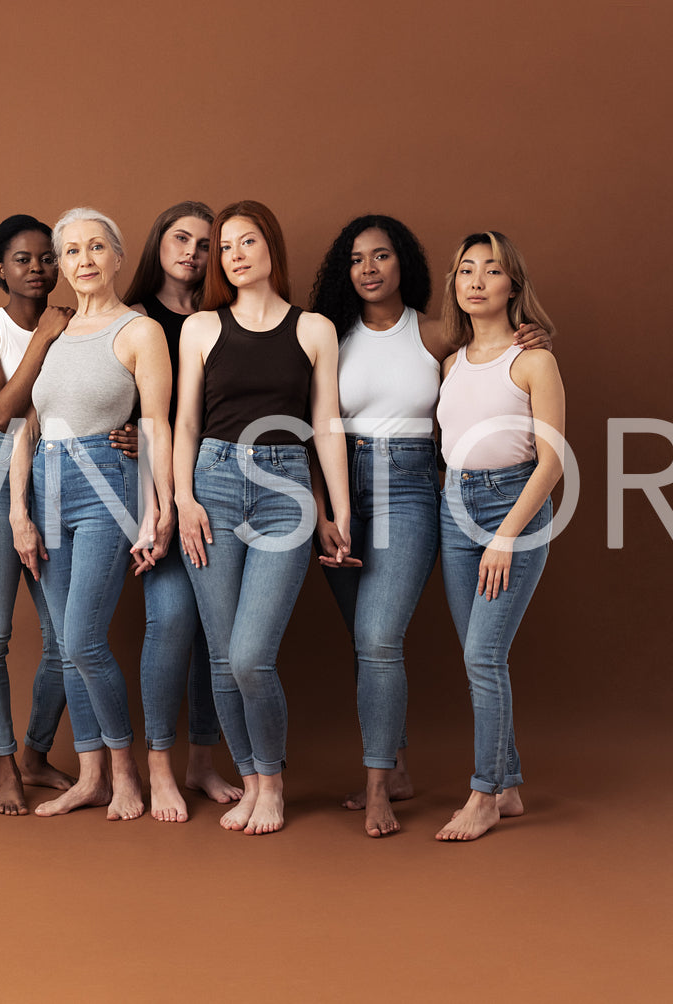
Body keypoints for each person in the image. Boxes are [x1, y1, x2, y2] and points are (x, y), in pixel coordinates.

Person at [309, 215, 552, 837]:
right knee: (367, 638)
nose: (369, 268)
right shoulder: (331, 335)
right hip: (350, 490)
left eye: (382, 256)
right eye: (357, 258)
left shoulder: (437, 334)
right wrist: (326, 506)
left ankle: (470, 791)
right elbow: (314, 423)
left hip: (416, 487)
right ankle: (413, 771)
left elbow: (497, 358)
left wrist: (532, 332)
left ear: (405, 265)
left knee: (387, 637)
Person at [175, 200, 351, 835]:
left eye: (247, 242)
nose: (236, 255)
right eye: (225, 247)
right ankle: (252, 781)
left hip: (285, 491)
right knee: (224, 656)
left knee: (252, 654)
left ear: (271, 246)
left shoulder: (315, 329)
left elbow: (327, 425)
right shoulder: (201, 329)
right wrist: (182, 499)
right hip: (212, 485)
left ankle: (271, 783)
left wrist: (338, 509)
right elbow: (185, 423)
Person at [9, 207, 175, 821]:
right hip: (45, 489)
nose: (84, 261)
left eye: (96, 248)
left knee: (82, 638)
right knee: (66, 643)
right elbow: (26, 425)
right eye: (71, 251)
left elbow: (156, 424)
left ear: (117, 256)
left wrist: (158, 510)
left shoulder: (140, 331)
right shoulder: (49, 333)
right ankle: (90, 777)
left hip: (106, 488)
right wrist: (17, 513)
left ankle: (124, 774)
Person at [433, 231, 564, 841]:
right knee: (476, 657)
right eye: (466, 270)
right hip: (454, 505)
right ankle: (508, 785)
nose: (477, 280)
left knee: (483, 655)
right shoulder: (451, 363)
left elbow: (552, 460)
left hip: (514, 507)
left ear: (513, 283)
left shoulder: (533, 359)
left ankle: (482, 794)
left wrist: (507, 536)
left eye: (491, 270)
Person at [123, 201, 242, 821]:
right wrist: (125, 432)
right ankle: (159, 767)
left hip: (218, 486)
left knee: (211, 632)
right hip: (158, 489)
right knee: (169, 622)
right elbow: (112, 392)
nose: (192, 252)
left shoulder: (228, 317)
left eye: (206, 243)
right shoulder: (135, 316)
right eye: (181, 238)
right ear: (158, 242)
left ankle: (202, 761)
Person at [0, 213, 79, 815]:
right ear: (0, 268)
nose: (38, 269)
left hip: (57, 472)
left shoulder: (78, 324)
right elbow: (2, 410)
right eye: (23, 260)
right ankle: (4, 765)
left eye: (46, 258)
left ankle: (35, 752)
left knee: (65, 636)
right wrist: (43, 339)